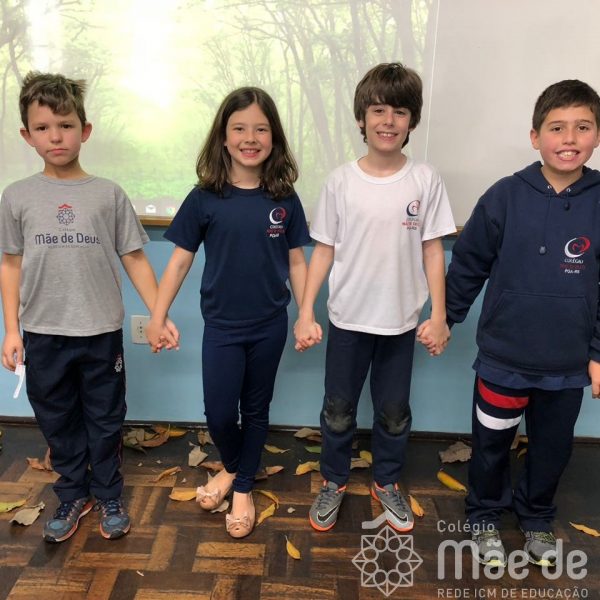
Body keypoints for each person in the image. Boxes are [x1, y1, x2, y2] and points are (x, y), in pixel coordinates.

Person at [421, 79, 600, 568]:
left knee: (552, 449)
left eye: (582, 127)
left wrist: (597, 353)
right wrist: (444, 318)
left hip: (566, 367)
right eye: (556, 128)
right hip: (503, 360)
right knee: (491, 445)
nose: (569, 138)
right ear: (535, 136)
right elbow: (468, 265)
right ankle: (483, 515)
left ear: (596, 135)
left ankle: (537, 516)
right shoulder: (504, 196)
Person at [0, 72, 177, 543]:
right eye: (43, 128)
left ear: (86, 130)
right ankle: (72, 494)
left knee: (104, 419)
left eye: (65, 125)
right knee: (57, 420)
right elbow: (11, 264)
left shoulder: (108, 194)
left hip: (100, 332)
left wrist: (158, 315)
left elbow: (134, 258)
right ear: (27, 135)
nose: (55, 136)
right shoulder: (16, 196)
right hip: (42, 332)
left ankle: (109, 494)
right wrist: (12, 330)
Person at [294, 63, 456, 533]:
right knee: (337, 412)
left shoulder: (425, 179)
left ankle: (386, 481)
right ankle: (334, 480)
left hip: (400, 323)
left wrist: (439, 315)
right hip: (347, 320)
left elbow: (432, 250)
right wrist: (305, 311)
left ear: (412, 121)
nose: (388, 121)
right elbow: (324, 250)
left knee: (394, 413)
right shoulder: (340, 182)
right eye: (379, 110)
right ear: (361, 118)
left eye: (400, 112)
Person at [146, 87, 311, 539]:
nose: (250, 138)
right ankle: (237, 468)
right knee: (219, 414)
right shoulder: (205, 197)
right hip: (222, 326)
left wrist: (306, 313)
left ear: (274, 137)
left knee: (256, 410)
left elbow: (297, 261)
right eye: (239, 128)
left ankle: (240, 489)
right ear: (223, 136)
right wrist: (157, 316)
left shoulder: (284, 197)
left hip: (269, 325)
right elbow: (179, 262)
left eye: (261, 129)